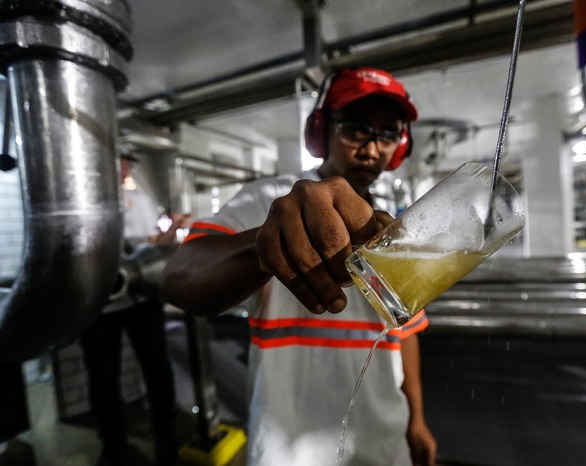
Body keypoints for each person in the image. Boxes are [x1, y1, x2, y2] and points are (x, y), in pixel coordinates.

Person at [160, 67, 438, 466]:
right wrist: (265, 244)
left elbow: (406, 332)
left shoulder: (397, 228)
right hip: (289, 450)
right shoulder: (271, 200)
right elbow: (179, 279)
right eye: (357, 128)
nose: (372, 148)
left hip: (384, 444)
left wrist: (417, 421)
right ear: (320, 131)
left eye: (388, 133)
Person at [80, 154, 188, 466]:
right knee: (103, 376)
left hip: (141, 299)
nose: (125, 168)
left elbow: (154, 242)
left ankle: (166, 439)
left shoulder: (139, 200)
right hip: (100, 302)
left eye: (127, 163)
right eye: (119, 161)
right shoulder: (88, 200)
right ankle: (113, 445)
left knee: (157, 367)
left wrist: (172, 232)